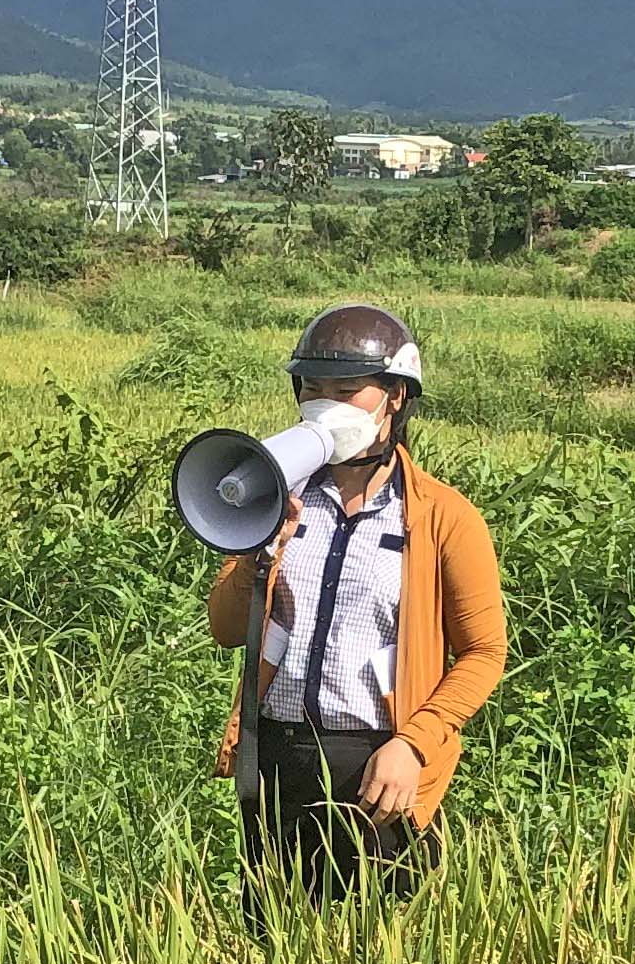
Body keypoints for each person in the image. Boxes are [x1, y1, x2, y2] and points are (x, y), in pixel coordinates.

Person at [205, 302, 507, 902]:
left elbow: (483, 652)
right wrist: (263, 554)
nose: (327, 406)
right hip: (278, 754)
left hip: (378, 764)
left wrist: (414, 743)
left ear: (395, 398)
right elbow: (225, 628)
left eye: (347, 390)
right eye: (312, 389)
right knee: (274, 939)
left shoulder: (441, 517)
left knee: (377, 958)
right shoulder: (277, 500)